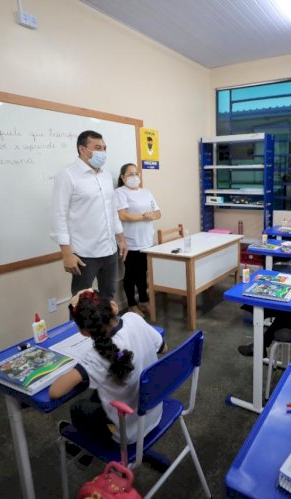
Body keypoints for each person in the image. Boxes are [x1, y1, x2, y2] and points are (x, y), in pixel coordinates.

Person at [49, 289, 168, 446]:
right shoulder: (134, 318)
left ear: (83, 332)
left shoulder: (96, 357)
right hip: (153, 413)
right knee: (97, 395)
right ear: (113, 307)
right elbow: (164, 348)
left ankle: (82, 449)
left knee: (78, 408)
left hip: (128, 433)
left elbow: (55, 392)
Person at [51, 130, 128, 298]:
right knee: (81, 303)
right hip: (84, 253)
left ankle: (108, 326)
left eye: (104, 148)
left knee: (108, 297)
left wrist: (121, 239)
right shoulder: (67, 176)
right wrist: (66, 253)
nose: (102, 152)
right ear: (82, 149)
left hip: (109, 250)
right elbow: (59, 216)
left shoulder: (106, 175)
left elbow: (112, 210)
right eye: (97, 148)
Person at [114, 163, 161, 316]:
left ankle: (143, 299)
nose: (134, 177)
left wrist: (152, 215)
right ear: (123, 177)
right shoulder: (120, 192)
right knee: (130, 274)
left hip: (146, 240)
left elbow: (158, 212)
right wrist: (144, 216)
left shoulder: (146, 192)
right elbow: (123, 215)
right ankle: (131, 305)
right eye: (130, 174)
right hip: (130, 241)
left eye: (136, 173)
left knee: (143, 272)